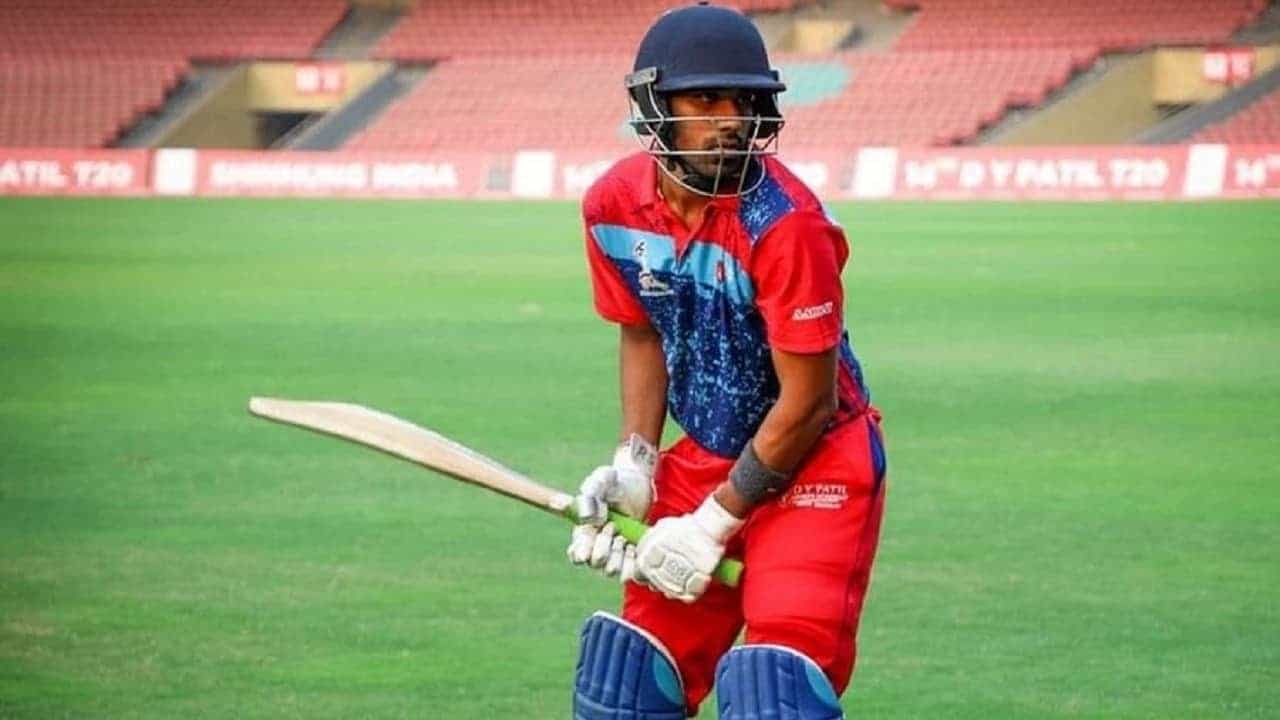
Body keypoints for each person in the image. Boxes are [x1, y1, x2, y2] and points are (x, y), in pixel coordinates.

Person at [566, 3, 886, 718]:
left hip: (818, 461)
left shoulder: (787, 226)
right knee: (624, 685)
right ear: (654, 107)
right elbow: (642, 333)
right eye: (706, 100)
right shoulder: (612, 206)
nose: (731, 120)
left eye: (743, 101)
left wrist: (711, 526)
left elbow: (808, 402)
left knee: (773, 692)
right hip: (707, 454)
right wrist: (637, 465)